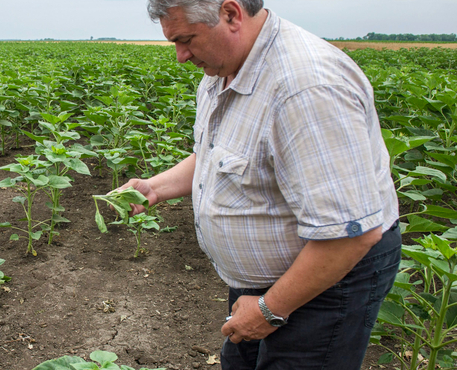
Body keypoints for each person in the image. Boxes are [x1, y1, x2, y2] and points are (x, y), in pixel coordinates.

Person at [118, 0, 402, 368]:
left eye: (186, 39)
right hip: (267, 281)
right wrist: (154, 188)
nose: (180, 57)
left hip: (327, 281)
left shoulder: (306, 87)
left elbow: (350, 233)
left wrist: (269, 309)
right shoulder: (225, 70)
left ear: (231, 14)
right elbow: (217, 155)